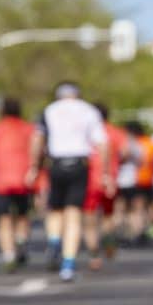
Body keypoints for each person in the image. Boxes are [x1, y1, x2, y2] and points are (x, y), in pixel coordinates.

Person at [27, 82, 109, 282]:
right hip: (79, 165)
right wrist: (106, 173)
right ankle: (68, 265)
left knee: (55, 210)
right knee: (74, 215)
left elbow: (37, 139)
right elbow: (102, 143)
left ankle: (54, 242)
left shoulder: (49, 110)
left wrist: (33, 167)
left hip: (56, 164)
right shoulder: (88, 111)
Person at [0, 97, 34, 272]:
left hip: (1, 181)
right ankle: (21, 240)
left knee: (4, 218)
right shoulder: (28, 129)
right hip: (25, 179)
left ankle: (9, 254)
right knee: (23, 215)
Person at [83, 103, 128, 269]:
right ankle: (109, 241)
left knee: (89, 218)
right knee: (109, 214)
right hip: (110, 179)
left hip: (88, 180)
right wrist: (117, 163)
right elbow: (126, 152)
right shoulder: (116, 132)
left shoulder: (86, 132)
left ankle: (94, 255)